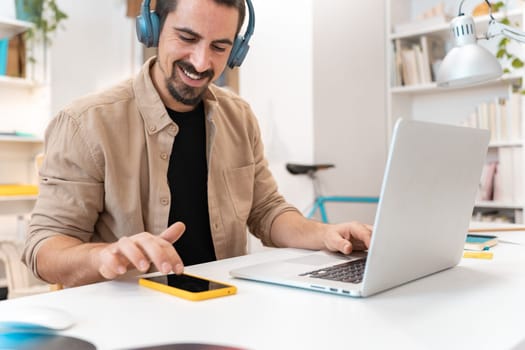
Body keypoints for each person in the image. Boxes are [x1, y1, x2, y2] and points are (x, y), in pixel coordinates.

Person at [22, 0, 372, 287]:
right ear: (153, 29)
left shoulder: (239, 116)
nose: (202, 62)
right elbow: (44, 249)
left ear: (235, 51)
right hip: (127, 318)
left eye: (219, 46)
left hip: (222, 308)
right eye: (187, 38)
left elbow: (266, 212)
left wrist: (326, 234)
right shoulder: (86, 123)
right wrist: (103, 256)